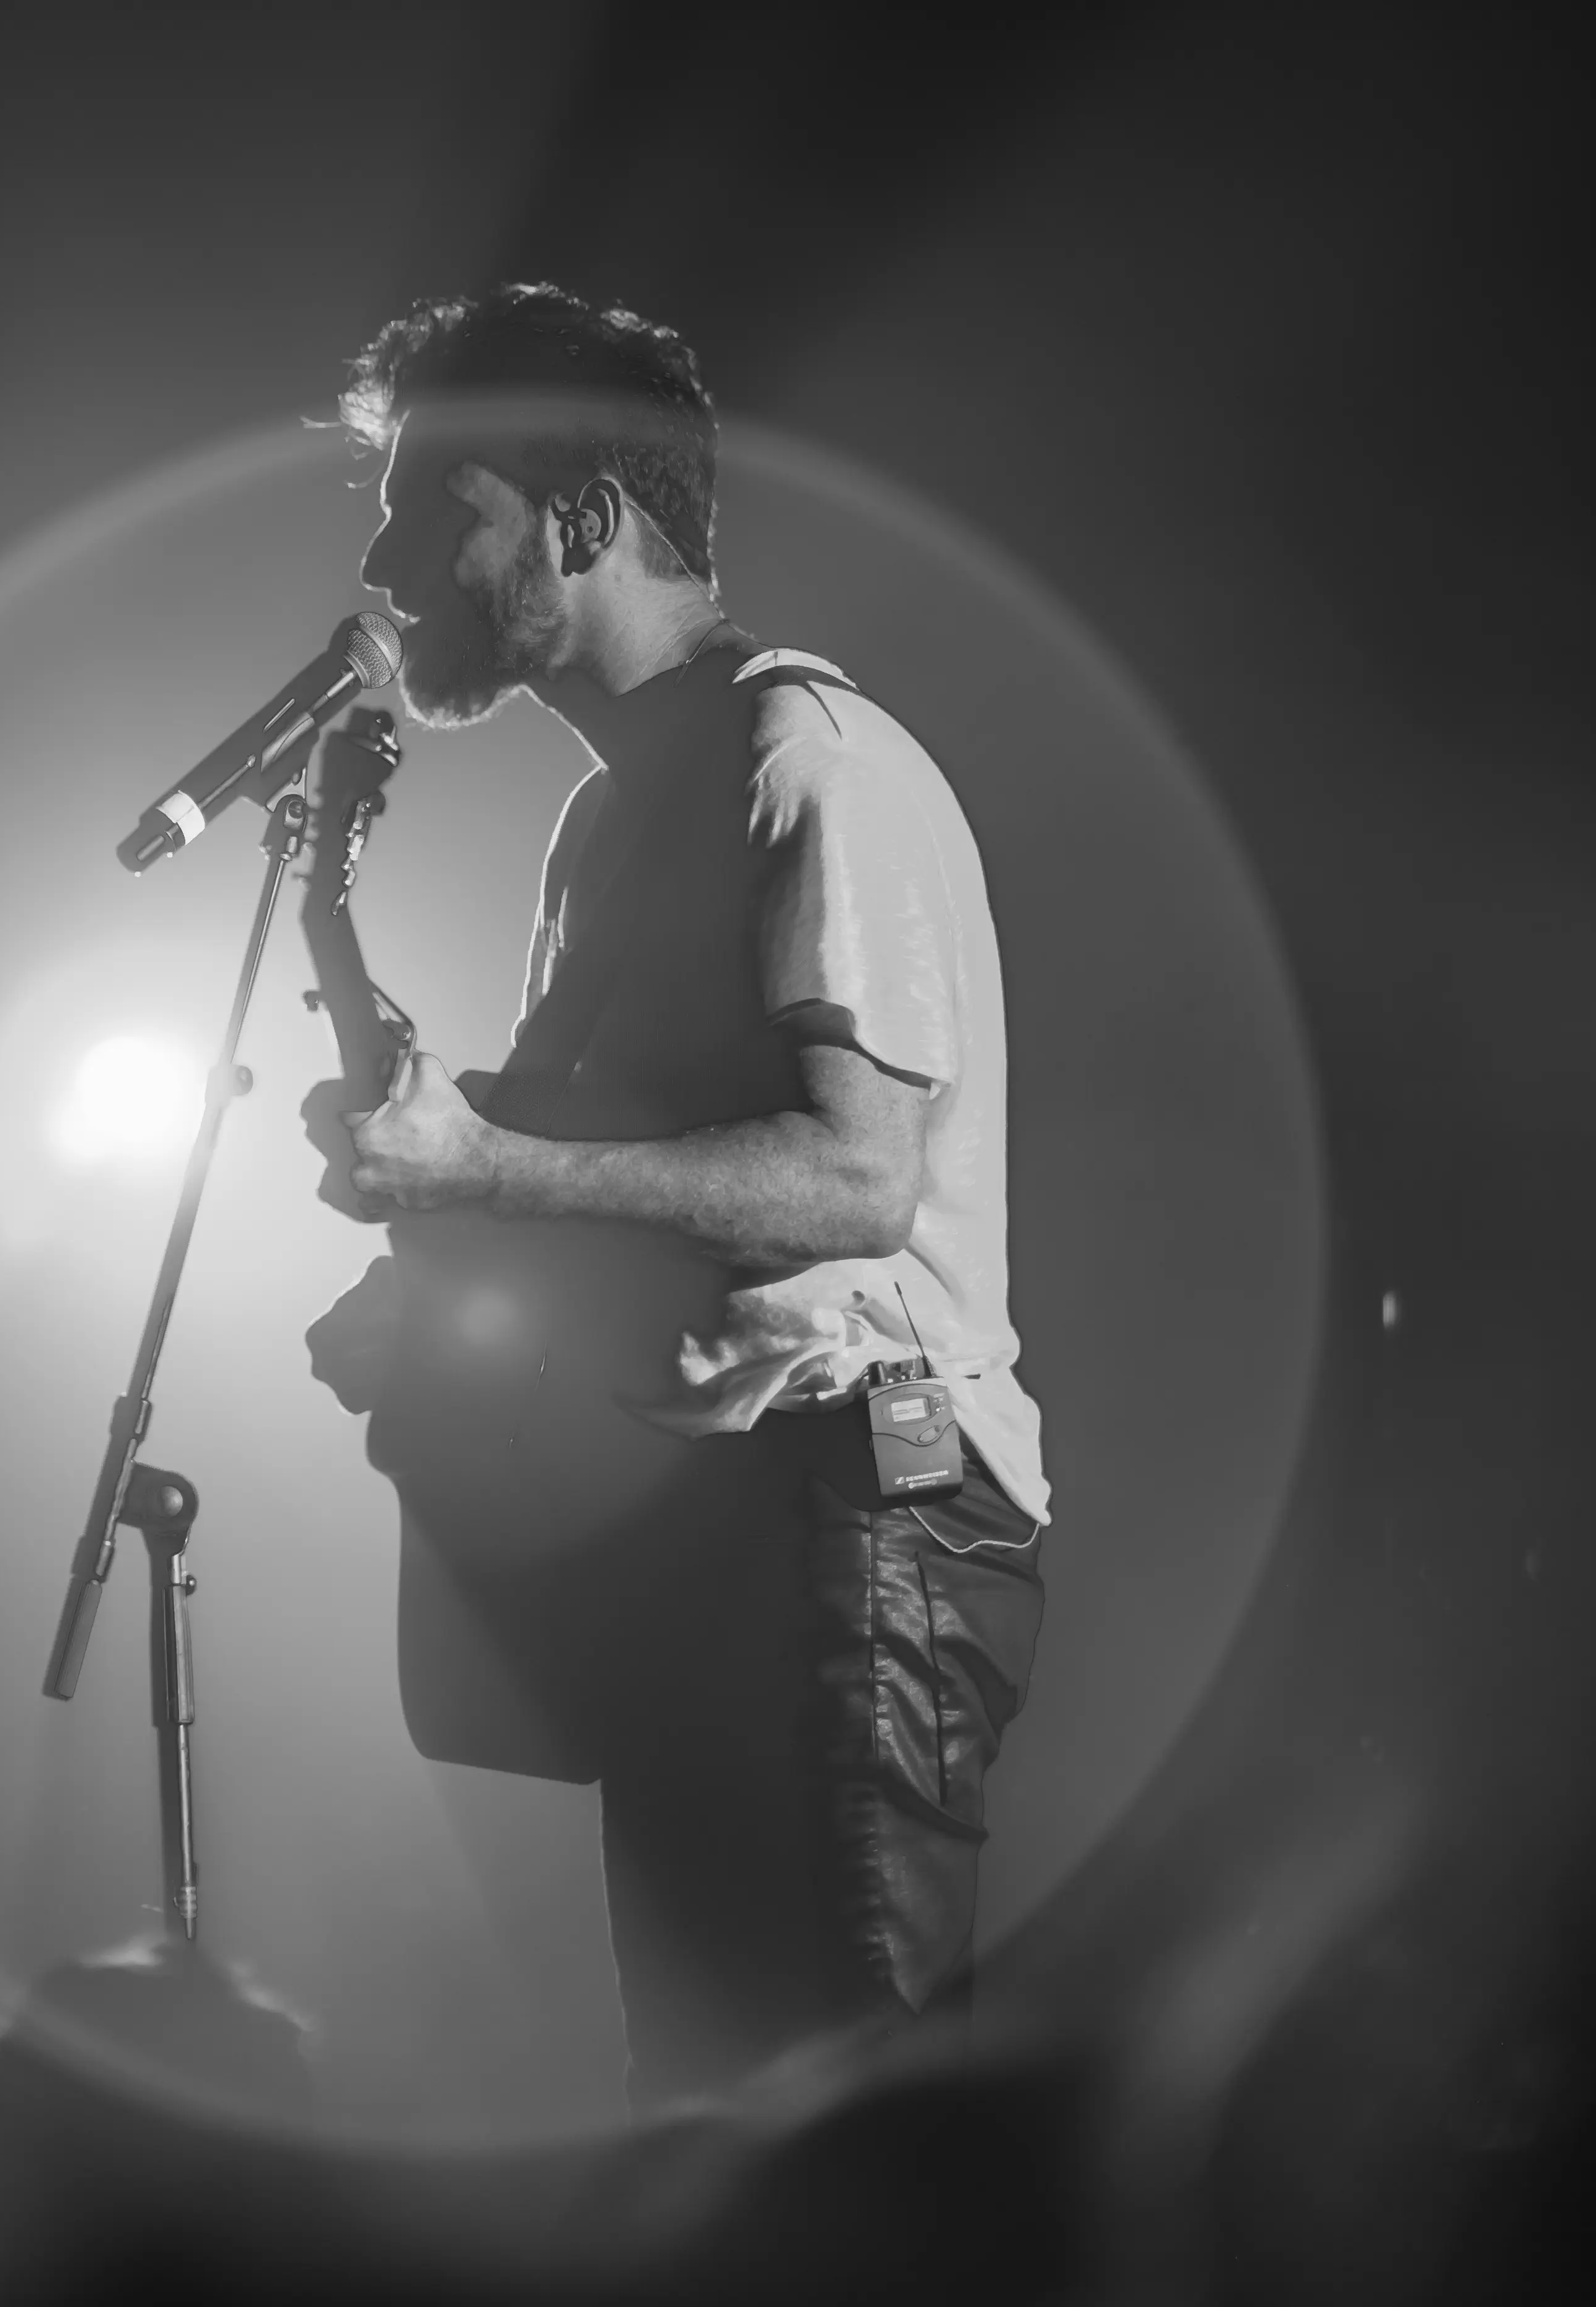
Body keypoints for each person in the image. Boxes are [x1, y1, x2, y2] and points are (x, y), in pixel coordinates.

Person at [304, 285, 1053, 2107]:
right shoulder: (608, 818)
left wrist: (488, 1166)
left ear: (579, 517)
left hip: (854, 1507)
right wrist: (440, 1276)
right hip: (722, 1524)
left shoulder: (802, 756)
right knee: (715, 2124)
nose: (388, 566)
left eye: (433, 510)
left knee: (843, 2134)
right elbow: (614, 1185)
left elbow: (855, 1177)